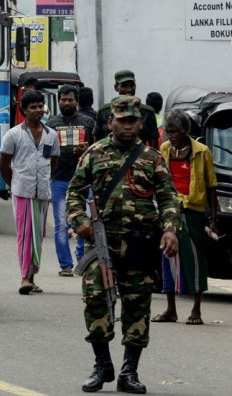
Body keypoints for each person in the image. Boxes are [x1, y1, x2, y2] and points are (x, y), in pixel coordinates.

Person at [67, 95, 181, 394]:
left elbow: (169, 197)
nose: (128, 126)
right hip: (101, 244)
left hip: (140, 245)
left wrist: (170, 230)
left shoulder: (152, 158)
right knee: (95, 300)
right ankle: (102, 365)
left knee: (137, 305)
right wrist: (80, 222)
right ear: (111, 122)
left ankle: (129, 371)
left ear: (140, 123)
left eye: (133, 121)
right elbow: (74, 192)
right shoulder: (94, 154)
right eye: (122, 120)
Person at [152, 109, 218, 326]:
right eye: (168, 131)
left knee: (195, 259)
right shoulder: (164, 149)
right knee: (167, 257)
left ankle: (196, 308)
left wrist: (212, 220)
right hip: (170, 209)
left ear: (186, 131)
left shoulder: (202, 151)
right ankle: (171, 309)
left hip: (194, 211)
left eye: (175, 132)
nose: (171, 135)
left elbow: (211, 187)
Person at [0, 90, 59, 295]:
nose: (37, 110)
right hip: (22, 191)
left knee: (38, 236)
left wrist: (44, 179)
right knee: (25, 235)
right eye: (33, 107)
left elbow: (54, 161)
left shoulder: (51, 135)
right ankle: (24, 277)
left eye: (40, 106)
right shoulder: (13, 134)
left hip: (42, 192)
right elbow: (4, 165)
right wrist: (14, 184)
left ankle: (32, 277)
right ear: (24, 110)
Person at [45, 85, 94, 277]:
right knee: (61, 224)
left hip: (84, 180)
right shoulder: (50, 124)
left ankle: (82, 259)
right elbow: (45, 152)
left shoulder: (88, 122)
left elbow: (97, 148)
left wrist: (87, 149)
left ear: (76, 101)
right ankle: (65, 265)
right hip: (58, 180)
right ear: (58, 101)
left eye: (70, 100)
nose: (67, 103)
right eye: (64, 100)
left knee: (86, 221)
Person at [93, 70, 159, 149]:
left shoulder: (147, 112)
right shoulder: (104, 112)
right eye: (124, 86)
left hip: (140, 159)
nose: (129, 90)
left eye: (131, 85)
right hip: (110, 159)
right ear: (116, 87)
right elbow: (97, 143)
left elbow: (154, 145)